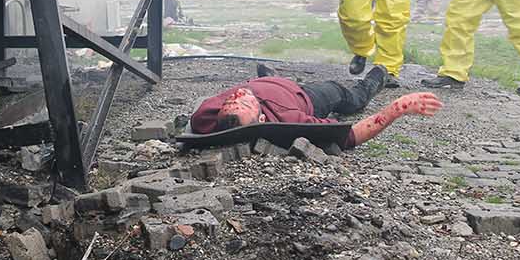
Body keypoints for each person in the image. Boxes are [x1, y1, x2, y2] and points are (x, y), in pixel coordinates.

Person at [190, 64, 443, 150]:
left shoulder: (207, 118)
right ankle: (378, 75)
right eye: (244, 102)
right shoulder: (289, 121)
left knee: (261, 83)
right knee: (353, 99)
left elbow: (201, 127)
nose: (237, 95)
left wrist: (249, 92)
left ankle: (271, 75)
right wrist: (396, 109)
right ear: (261, 119)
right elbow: (350, 135)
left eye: (233, 99)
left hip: (269, 83)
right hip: (309, 96)